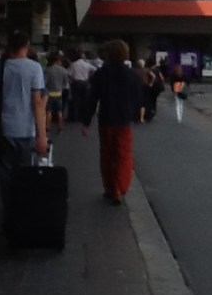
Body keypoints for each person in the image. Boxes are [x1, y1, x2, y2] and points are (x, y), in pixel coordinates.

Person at [0, 30, 47, 233]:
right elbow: (37, 104)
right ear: (27, 46)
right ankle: (23, 216)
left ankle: (9, 215)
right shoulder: (34, 68)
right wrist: (42, 136)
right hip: (26, 131)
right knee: (24, 175)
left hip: (3, 129)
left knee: (5, 176)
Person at [82, 39, 142, 205]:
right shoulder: (132, 75)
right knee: (123, 154)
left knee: (107, 154)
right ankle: (120, 186)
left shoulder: (101, 74)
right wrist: (136, 115)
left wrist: (86, 122)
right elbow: (138, 98)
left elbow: (92, 98)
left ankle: (110, 188)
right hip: (124, 120)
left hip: (106, 118)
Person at [67, 50, 96, 122]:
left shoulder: (73, 64)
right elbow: (95, 69)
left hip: (76, 83)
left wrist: (72, 79)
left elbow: (68, 74)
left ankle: (75, 116)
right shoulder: (86, 64)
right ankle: (83, 116)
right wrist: (89, 75)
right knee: (84, 100)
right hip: (85, 83)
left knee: (75, 100)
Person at [44, 51, 69, 134]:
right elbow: (66, 83)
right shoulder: (64, 70)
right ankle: (60, 126)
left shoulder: (47, 70)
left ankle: (48, 126)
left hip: (49, 93)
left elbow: (44, 82)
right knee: (59, 111)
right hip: (59, 93)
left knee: (49, 111)